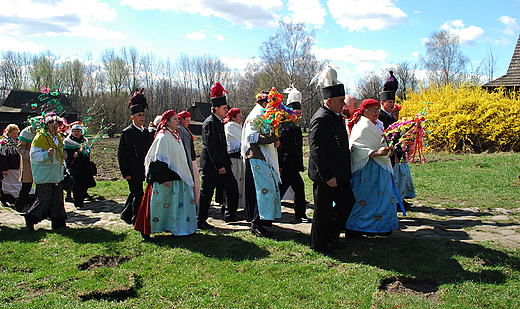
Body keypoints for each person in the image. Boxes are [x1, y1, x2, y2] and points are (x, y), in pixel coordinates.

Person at [308, 66, 356, 255]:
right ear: (329, 101)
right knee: (322, 211)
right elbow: (317, 151)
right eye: (339, 101)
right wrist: (327, 175)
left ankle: (331, 235)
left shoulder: (335, 116)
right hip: (326, 175)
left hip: (340, 173)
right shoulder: (320, 119)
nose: (343, 104)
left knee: (347, 203)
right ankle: (318, 244)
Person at [346, 99, 405, 236]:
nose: (376, 111)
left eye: (377, 108)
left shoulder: (378, 124)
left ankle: (380, 227)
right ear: (364, 111)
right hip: (367, 169)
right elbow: (355, 147)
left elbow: (382, 141)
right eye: (372, 109)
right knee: (365, 199)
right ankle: (358, 228)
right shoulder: (362, 126)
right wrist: (374, 153)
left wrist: (389, 149)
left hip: (381, 168)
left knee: (382, 199)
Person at [134, 110, 197, 238]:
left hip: (176, 177)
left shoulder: (175, 135)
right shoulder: (163, 137)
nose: (177, 121)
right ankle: (149, 229)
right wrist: (163, 179)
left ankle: (177, 227)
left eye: (177, 118)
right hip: (166, 179)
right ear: (167, 122)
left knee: (174, 205)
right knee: (159, 206)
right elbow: (158, 159)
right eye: (174, 119)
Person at [198, 82, 240, 229]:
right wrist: (219, 165)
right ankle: (200, 220)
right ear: (216, 109)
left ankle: (230, 214)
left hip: (222, 164)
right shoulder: (209, 123)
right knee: (206, 193)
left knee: (232, 187)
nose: (227, 110)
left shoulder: (219, 122)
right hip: (212, 165)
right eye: (224, 108)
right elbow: (210, 147)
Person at [242, 91, 281, 237]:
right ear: (265, 103)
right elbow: (252, 136)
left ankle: (258, 221)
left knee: (259, 190)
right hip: (257, 157)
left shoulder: (258, 112)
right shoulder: (257, 114)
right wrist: (272, 137)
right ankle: (257, 223)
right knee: (264, 190)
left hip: (258, 156)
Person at [25, 113, 68, 231]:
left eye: (57, 125)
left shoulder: (58, 137)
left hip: (57, 172)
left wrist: (64, 155)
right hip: (44, 173)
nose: (55, 126)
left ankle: (58, 223)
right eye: (52, 124)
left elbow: (61, 150)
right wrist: (45, 154)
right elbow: (33, 155)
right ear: (47, 125)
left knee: (58, 198)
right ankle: (31, 217)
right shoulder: (40, 137)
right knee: (44, 198)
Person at [118, 89, 152, 224]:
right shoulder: (127, 133)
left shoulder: (146, 132)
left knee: (134, 192)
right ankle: (137, 218)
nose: (142, 118)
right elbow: (122, 153)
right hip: (132, 169)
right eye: (139, 115)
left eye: (143, 115)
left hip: (142, 168)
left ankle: (126, 214)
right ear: (133, 117)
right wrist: (125, 171)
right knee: (138, 194)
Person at [278, 87, 310, 223]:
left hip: (293, 164)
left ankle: (298, 214)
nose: (298, 115)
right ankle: (300, 214)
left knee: (284, 189)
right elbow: (281, 148)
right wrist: (280, 164)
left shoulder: (296, 127)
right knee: (298, 188)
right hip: (287, 165)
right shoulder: (286, 127)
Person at [63, 121, 96, 209]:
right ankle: (77, 201)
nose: (76, 133)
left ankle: (82, 198)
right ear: (71, 132)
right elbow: (65, 154)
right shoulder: (67, 142)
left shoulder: (84, 141)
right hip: (74, 166)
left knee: (84, 183)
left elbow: (87, 152)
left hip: (84, 165)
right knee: (76, 185)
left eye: (78, 131)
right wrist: (72, 155)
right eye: (74, 131)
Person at [391, 104, 416, 209]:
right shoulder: (388, 122)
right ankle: (396, 200)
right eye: (395, 113)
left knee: (404, 177)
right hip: (394, 154)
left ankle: (402, 197)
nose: (397, 115)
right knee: (397, 178)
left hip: (401, 152)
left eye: (398, 113)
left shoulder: (401, 124)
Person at [178, 110, 201, 213]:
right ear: (181, 120)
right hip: (186, 160)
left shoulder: (186, 129)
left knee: (195, 182)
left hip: (192, 160)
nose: (189, 122)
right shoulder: (179, 130)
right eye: (187, 120)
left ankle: (194, 202)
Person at [223, 107, 246, 210]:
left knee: (241, 181)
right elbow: (235, 141)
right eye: (239, 116)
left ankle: (239, 204)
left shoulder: (239, 126)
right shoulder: (230, 126)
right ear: (233, 117)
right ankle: (230, 206)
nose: (241, 118)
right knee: (234, 182)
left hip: (240, 157)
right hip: (233, 158)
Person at [15, 121, 38, 212]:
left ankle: (36, 205)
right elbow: (20, 147)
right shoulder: (26, 132)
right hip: (28, 161)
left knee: (40, 185)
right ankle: (20, 204)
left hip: (40, 162)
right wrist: (29, 155)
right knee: (26, 185)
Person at [0, 124, 22, 207]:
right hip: (9, 168)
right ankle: (7, 198)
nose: (16, 135)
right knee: (8, 184)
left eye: (16, 133)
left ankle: (17, 198)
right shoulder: (4, 143)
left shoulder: (18, 142)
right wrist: (4, 169)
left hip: (17, 167)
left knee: (18, 183)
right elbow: (2, 157)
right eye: (13, 133)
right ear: (8, 133)